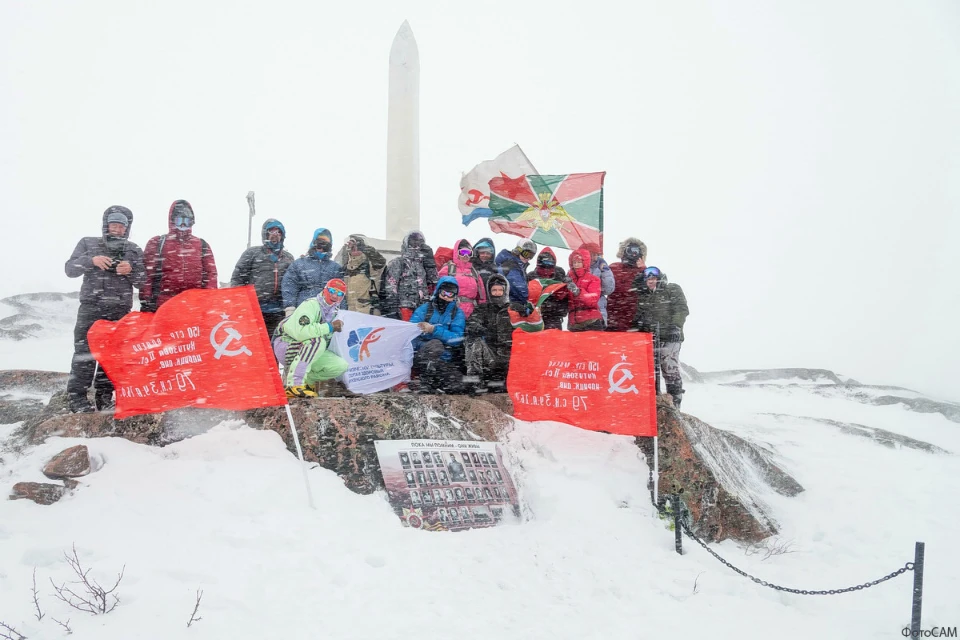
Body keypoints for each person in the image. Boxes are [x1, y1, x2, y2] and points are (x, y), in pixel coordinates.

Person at [64, 206, 146, 413]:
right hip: (91, 307)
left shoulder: (134, 249)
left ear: (127, 228)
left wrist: (131, 270)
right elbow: (70, 269)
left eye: (121, 226)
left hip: (119, 311)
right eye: (113, 224)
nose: (117, 229)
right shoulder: (88, 243)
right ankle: (77, 398)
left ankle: (104, 397)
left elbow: (143, 281)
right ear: (106, 224)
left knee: (113, 355)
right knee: (84, 352)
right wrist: (91, 261)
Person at [273, 277, 349, 397]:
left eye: (340, 293)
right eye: (332, 291)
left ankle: (307, 382)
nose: (335, 295)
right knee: (317, 341)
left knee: (340, 365)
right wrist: (329, 327)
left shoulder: (335, 313)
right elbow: (300, 332)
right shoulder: (311, 304)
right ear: (325, 290)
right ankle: (294, 384)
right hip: (286, 345)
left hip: (309, 350)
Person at [140, 199, 217, 312]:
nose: (182, 224)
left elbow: (211, 275)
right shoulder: (157, 243)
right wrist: (146, 300)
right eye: (179, 220)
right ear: (172, 221)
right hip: (163, 305)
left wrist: (208, 298)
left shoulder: (202, 245)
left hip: (193, 305)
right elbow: (147, 274)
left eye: (187, 221)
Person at [633, 266, 689, 408]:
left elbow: (681, 309)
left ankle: (675, 403)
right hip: (651, 338)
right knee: (650, 371)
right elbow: (639, 315)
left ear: (659, 278)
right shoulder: (644, 296)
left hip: (670, 337)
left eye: (653, 278)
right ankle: (654, 403)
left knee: (669, 368)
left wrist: (676, 326)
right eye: (648, 279)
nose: (650, 281)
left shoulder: (672, 289)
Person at [230, 218, 295, 337]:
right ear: (265, 234)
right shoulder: (252, 253)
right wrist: (240, 301)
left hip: (279, 311)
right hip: (255, 309)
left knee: (276, 344)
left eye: (278, 232)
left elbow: (293, 282)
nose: (274, 235)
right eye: (271, 232)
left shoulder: (288, 258)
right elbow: (237, 277)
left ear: (282, 235)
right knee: (256, 343)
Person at [410, 276, 466, 393]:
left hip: (444, 359)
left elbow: (457, 339)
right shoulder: (424, 309)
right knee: (435, 345)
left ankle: (435, 383)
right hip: (422, 355)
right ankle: (425, 381)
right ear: (438, 291)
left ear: (455, 296)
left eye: (450, 294)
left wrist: (434, 330)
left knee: (460, 385)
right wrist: (424, 336)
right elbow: (410, 332)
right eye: (443, 292)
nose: (446, 296)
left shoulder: (457, 313)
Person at [464, 275, 513, 392]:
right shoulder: (483, 309)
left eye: (500, 290)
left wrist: (529, 314)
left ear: (505, 291)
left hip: (510, 356)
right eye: (494, 290)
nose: (497, 293)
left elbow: (529, 326)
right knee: (473, 341)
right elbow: (472, 323)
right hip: (490, 355)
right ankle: (475, 381)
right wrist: (483, 330)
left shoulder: (513, 309)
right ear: (489, 291)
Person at [281, 228, 345, 314]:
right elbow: (289, 285)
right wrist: (290, 308)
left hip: (328, 311)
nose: (321, 248)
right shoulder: (299, 264)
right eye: (318, 243)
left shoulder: (335, 267)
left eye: (325, 245)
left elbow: (341, 292)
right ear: (313, 243)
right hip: (303, 310)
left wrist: (343, 311)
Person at [380, 230, 431, 321]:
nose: (416, 245)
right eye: (413, 242)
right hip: (404, 307)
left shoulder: (424, 264)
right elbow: (390, 287)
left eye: (420, 242)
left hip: (421, 308)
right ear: (406, 243)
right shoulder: (398, 262)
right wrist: (393, 310)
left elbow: (432, 282)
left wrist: (431, 261)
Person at [335, 234, 386, 315]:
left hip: (367, 314)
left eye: (357, 246)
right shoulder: (346, 268)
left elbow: (381, 262)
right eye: (352, 247)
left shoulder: (370, 265)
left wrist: (364, 248)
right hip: (350, 314)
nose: (354, 249)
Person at [606, 238, 647, 332]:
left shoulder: (644, 272)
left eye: (636, 251)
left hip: (633, 321)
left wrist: (643, 270)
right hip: (612, 318)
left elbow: (649, 290)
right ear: (624, 252)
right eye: (630, 250)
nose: (633, 254)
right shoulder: (613, 268)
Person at [438, 238, 486, 319]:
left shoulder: (474, 272)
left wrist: (481, 311)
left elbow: (482, 296)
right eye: (463, 252)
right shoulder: (448, 269)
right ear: (457, 253)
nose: (466, 255)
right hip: (450, 310)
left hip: (471, 313)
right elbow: (437, 290)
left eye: (469, 253)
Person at [527, 247, 568, 330]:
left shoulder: (559, 278)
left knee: (553, 342)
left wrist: (548, 307)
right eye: (544, 262)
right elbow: (526, 298)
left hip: (553, 320)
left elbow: (565, 304)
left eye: (549, 263)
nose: (546, 266)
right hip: (534, 320)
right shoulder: (531, 277)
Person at [565, 247, 603, 332]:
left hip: (591, 322)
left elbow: (592, 300)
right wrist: (561, 286)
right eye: (574, 262)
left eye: (579, 262)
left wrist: (577, 292)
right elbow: (563, 298)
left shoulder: (593, 279)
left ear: (585, 263)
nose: (576, 265)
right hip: (574, 325)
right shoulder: (569, 279)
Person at [580, 242, 615, 326]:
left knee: (598, 337)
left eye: (596, 255)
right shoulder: (576, 269)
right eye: (592, 254)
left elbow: (608, 289)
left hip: (598, 310)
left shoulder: (600, 268)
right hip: (580, 312)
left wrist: (605, 271)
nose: (595, 258)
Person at [495, 239, 534, 305]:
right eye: (526, 254)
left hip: (512, 304)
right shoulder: (512, 266)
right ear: (519, 251)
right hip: (511, 305)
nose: (528, 258)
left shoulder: (519, 266)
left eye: (531, 256)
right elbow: (521, 292)